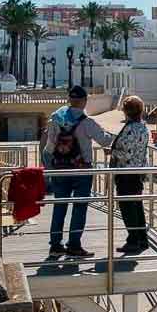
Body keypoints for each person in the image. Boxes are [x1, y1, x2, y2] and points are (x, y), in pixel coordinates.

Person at [43, 86, 115, 258]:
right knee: (79, 207)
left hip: (60, 169)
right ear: (83, 102)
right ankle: (74, 245)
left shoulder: (55, 119)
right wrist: (115, 136)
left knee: (60, 206)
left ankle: (55, 245)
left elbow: (48, 149)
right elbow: (104, 141)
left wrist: (50, 169)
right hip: (82, 171)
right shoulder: (86, 122)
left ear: (69, 100)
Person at [111, 96, 151, 254]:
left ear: (126, 111)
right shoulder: (143, 127)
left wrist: (113, 151)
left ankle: (133, 239)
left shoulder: (130, 128)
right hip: (137, 173)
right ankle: (142, 239)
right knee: (137, 206)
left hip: (126, 173)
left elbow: (126, 154)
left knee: (127, 207)